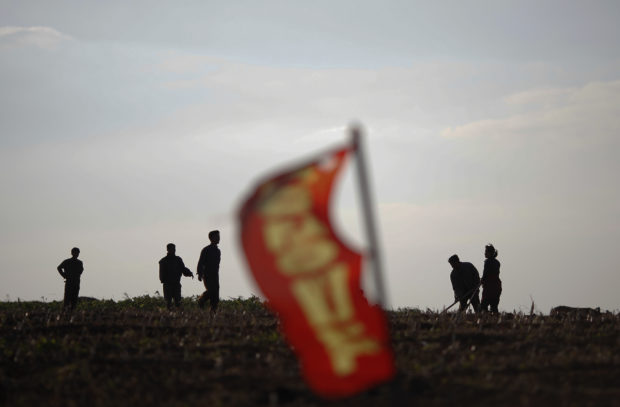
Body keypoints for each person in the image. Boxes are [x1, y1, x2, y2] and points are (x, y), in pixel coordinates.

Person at [159, 243, 193, 309]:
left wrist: (189, 273)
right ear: (168, 249)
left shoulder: (178, 260)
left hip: (176, 283)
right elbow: (161, 274)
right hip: (167, 284)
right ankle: (169, 316)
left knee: (178, 302)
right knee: (168, 302)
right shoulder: (163, 261)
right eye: (172, 249)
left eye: (174, 249)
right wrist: (163, 280)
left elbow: (183, 269)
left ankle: (178, 316)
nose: (173, 250)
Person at [196, 230, 221, 314]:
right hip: (207, 275)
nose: (218, 238)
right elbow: (201, 262)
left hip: (215, 275)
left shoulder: (218, 251)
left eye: (219, 236)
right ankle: (201, 300)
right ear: (211, 238)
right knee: (211, 291)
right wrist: (199, 273)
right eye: (217, 237)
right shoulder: (206, 250)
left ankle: (213, 313)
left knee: (215, 295)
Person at [480, 244, 502, 313]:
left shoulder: (488, 262)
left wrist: (482, 280)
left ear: (490, 253)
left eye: (486, 252)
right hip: (497, 286)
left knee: (483, 306)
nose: (485, 253)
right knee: (494, 306)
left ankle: (485, 320)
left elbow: (486, 274)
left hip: (489, 287)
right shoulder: (497, 262)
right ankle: (494, 320)